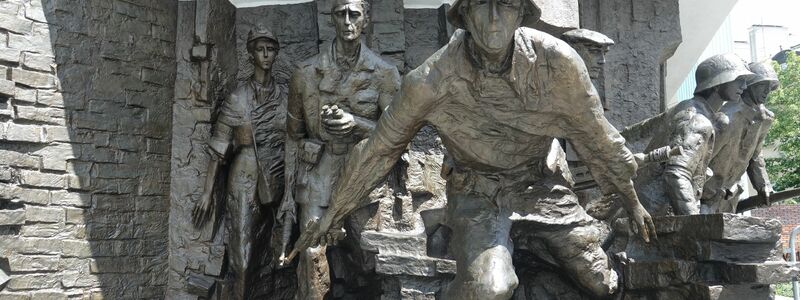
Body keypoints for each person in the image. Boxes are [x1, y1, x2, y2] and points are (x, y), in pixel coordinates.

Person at [287, 0, 656, 298]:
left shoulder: (558, 64)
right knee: (490, 289)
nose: (494, 18)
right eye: (481, 4)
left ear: (522, 13)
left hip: (543, 188)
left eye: (506, 4)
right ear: (463, 14)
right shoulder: (431, 80)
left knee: (601, 284)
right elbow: (379, 150)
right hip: (478, 193)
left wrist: (632, 200)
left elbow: (597, 135)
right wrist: (332, 213)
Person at [278, 0, 401, 298]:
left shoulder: (384, 74)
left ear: (366, 20)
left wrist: (356, 123)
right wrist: (287, 195)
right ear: (331, 18)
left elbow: (398, 133)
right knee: (310, 254)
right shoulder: (305, 74)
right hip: (318, 175)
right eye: (340, 14)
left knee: (371, 259)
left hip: (363, 178)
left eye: (354, 14)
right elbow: (293, 136)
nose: (347, 21)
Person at [191, 26, 287, 299]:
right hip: (244, 178)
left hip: (277, 179)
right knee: (241, 257)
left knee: (272, 252)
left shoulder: (285, 100)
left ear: (276, 53)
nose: (266, 55)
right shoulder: (238, 98)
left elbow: (294, 141)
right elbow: (218, 149)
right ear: (250, 54)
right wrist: (208, 193)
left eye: (270, 49)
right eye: (260, 49)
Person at [627, 53, 756, 216]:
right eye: (738, 79)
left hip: (649, 208)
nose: (744, 86)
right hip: (657, 214)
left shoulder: (685, 107)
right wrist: (695, 223)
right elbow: (676, 175)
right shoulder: (699, 121)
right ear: (717, 83)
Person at [702, 61, 778, 213]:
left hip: (731, 194)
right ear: (749, 85)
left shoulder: (765, 119)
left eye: (769, 88)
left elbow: (755, 155)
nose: (766, 92)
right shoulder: (726, 116)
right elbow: (702, 160)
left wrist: (763, 185)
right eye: (762, 86)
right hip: (705, 196)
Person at [562, 28, 615, 109]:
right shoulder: (556, 88)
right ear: (573, 51)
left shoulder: (586, 90)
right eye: (594, 52)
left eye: (604, 53)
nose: (602, 61)